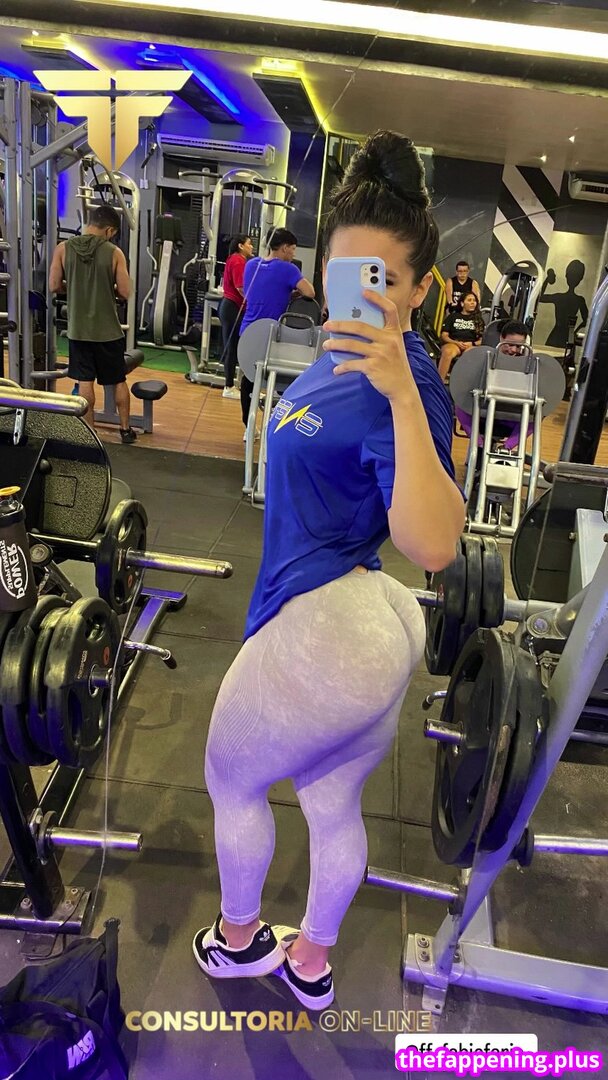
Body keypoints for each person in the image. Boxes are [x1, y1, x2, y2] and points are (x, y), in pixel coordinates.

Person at [192, 131, 465, 1011]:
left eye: (384, 280)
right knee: (329, 803)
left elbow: (435, 544)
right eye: (347, 272)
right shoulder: (336, 350)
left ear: (419, 289)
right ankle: (310, 962)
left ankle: (239, 941)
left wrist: (403, 394)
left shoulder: (407, 384)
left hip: (329, 626)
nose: (363, 293)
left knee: (232, 777)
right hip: (347, 620)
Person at [49, 205, 136, 444]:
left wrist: (72, 287)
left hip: (79, 331)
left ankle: (90, 434)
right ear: (109, 230)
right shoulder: (115, 253)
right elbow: (125, 291)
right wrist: (109, 289)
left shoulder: (62, 249)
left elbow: (54, 285)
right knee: (118, 380)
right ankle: (125, 430)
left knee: (84, 382)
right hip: (108, 332)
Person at [238, 228, 315, 437]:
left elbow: (260, 290)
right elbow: (310, 292)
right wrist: (292, 291)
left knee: (249, 379)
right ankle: (277, 427)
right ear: (284, 248)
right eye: (293, 249)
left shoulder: (251, 264)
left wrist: (285, 293)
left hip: (248, 331)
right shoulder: (288, 269)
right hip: (270, 333)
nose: (293, 254)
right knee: (281, 380)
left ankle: (249, 428)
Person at [454, 319, 531, 449]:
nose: (513, 350)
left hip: (511, 415)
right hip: (483, 411)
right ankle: (478, 444)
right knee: (459, 403)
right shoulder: (484, 357)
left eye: (518, 346)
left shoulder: (528, 364)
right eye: (509, 345)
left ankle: (507, 448)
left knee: (538, 413)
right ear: (501, 338)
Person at [219, 234, 254, 400]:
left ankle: (233, 385)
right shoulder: (238, 261)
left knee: (234, 346)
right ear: (241, 246)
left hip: (231, 306)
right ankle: (228, 386)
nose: (251, 247)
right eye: (249, 244)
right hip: (232, 307)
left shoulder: (235, 259)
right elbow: (241, 287)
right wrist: (253, 301)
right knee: (232, 347)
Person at [538, 260, 589, 348]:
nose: (572, 278)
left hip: (561, 336)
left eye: (575, 276)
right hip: (561, 336)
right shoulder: (575, 299)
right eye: (571, 275)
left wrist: (547, 280)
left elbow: (587, 321)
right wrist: (574, 332)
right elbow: (540, 298)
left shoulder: (564, 298)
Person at [438, 291, 485, 381]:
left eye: (474, 300)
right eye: (469, 300)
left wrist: (472, 344)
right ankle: (439, 381)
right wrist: (456, 343)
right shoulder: (453, 317)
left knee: (469, 354)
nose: (472, 303)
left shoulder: (479, 320)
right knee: (448, 352)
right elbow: (444, 336)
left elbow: (482, 339)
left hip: (470, 345)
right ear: (462, 303)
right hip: (454, 343)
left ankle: (461, 383)